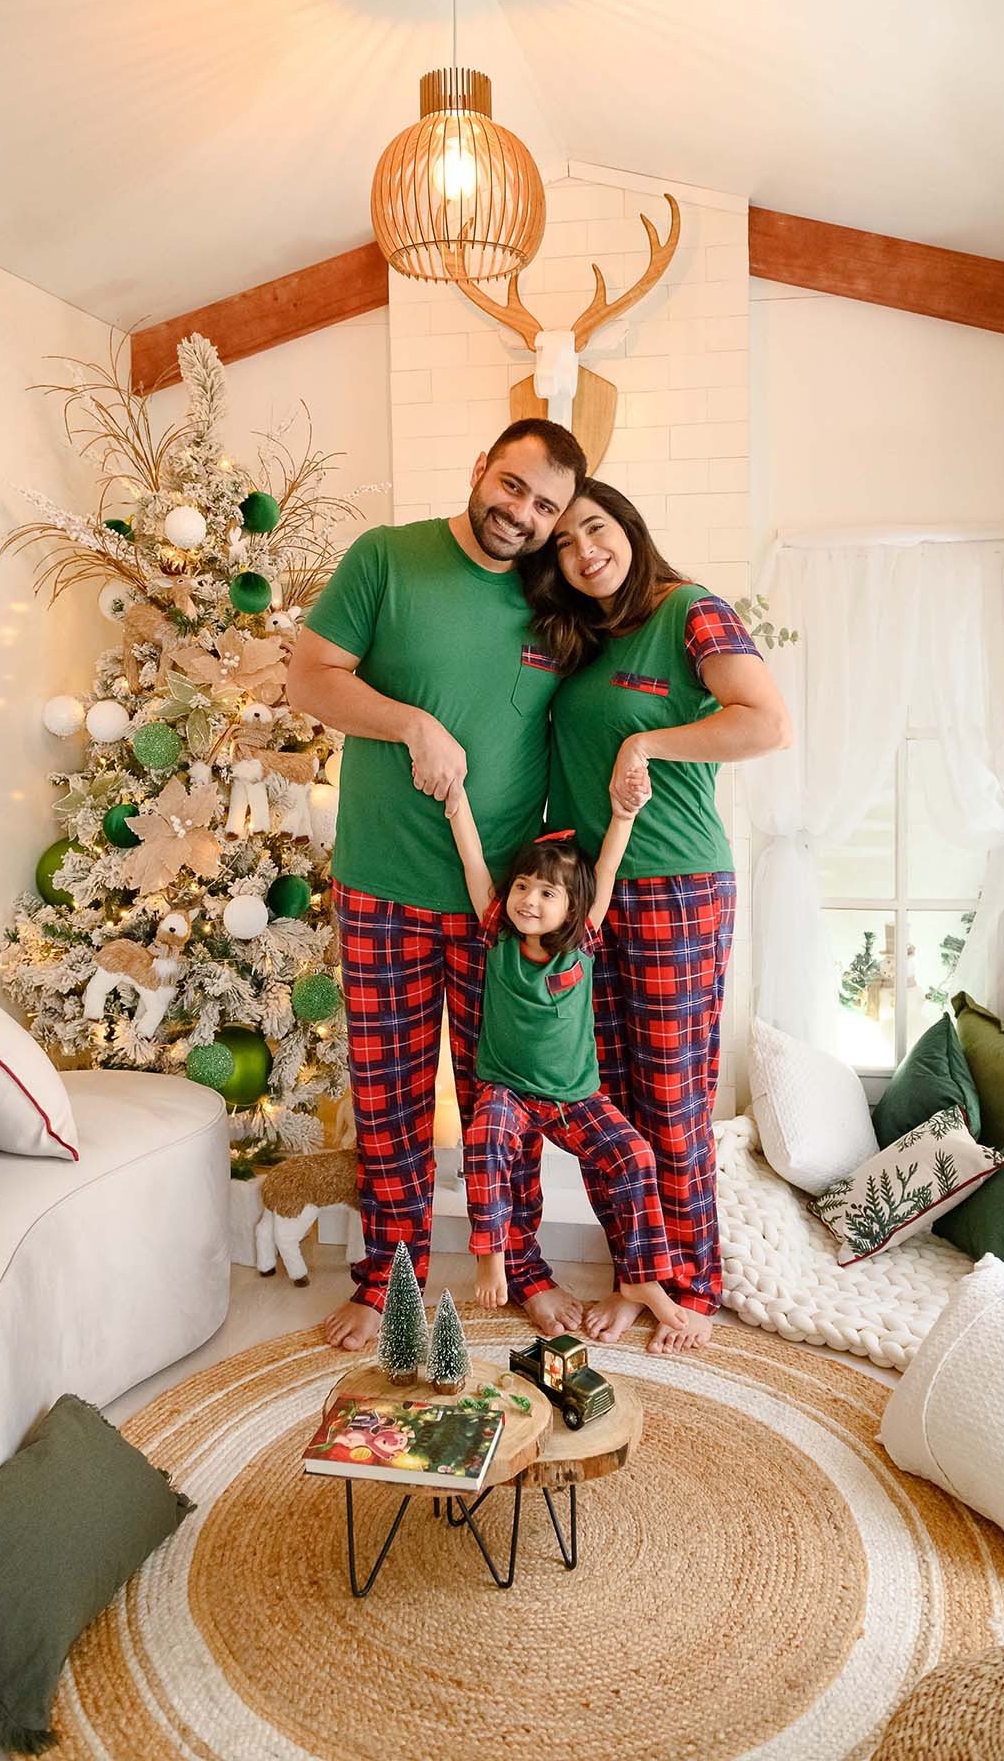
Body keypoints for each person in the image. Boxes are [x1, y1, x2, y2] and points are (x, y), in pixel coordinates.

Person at [285, 420, 588, 1352]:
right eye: (511, 487)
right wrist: (410, 721)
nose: (522, 514)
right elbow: (308, 679)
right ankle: (388, 1278)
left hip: (503, 908)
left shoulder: (554, 603)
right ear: (478, 470)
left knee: (510, 1097)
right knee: (389, 1097)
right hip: (381, 887)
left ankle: (524, 1267)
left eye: (544, 506)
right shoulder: (387, 558)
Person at [525, 478, 793, 1355]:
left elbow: (763, 722)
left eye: (594, 529)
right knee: (607, 1104)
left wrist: (648, 740)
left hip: (676, 885)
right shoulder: (580, 640)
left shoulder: (690, 611)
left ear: (627, 527)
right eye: (562, 544)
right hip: (590, 893)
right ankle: (636, 1273)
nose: (583, 551)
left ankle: (690, 1282)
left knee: (671, 1100)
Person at [446, 789, 686, 1338]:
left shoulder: (580, 943)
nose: (528, 899)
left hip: (575, 1097)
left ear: (571, 908)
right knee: (483, 1138)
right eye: (524, 886)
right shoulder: (499, 936)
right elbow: (473, 861)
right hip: (506, 1090)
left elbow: (605, 868)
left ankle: (643, 1277)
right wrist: (459, 800)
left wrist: (623, 815)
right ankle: (492, 1253)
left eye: (546, 892)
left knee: (636, 1157)